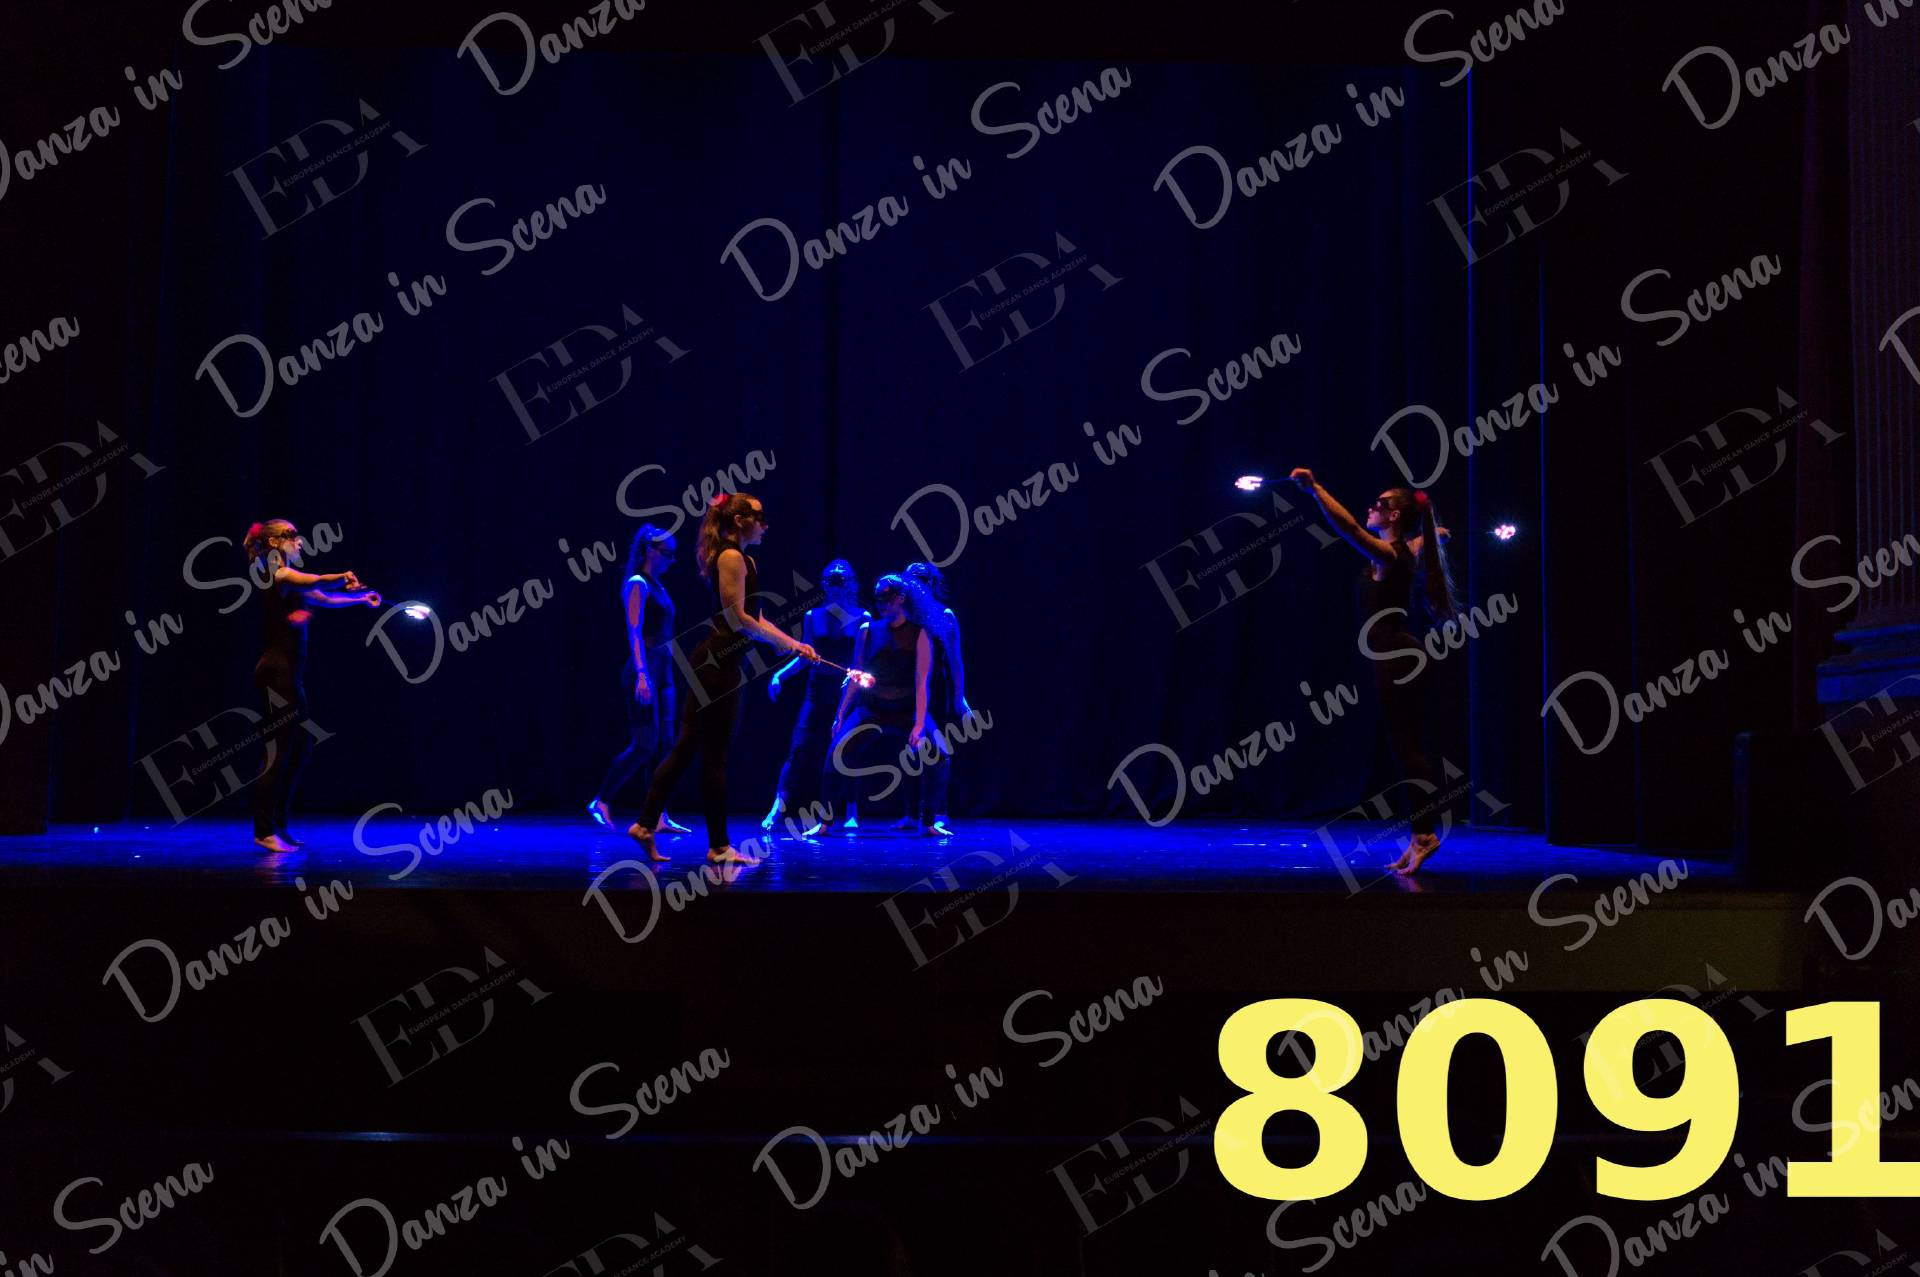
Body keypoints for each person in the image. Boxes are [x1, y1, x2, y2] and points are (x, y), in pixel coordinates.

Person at [627, 493, 818, 865]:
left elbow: (754, 617)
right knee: (711, 754)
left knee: (688, 748)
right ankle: (716, 846)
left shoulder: (744, 559)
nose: (765, 525)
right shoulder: (731, 557)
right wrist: (784, 643)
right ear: (741, 521)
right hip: (716, 664)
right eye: (759, 517)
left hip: (721, 663)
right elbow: (737, 619)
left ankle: (647, 824)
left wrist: (794, 644)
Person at [1288, 470, 1458, 875]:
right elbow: (1425, 539)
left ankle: (1424, 835)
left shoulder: (1388, 555)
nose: (1371, 507)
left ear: (1394, 515)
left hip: (1397, 656)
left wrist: (1316, 488)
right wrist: (1434, 533)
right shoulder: (1405, 550)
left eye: (1379, 504)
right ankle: (1421, 834)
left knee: (1407, 748)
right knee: (1405, 746)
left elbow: (1347, 527)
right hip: (1399, 655)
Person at [244, 519, 380, 853]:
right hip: (277, 674)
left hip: (289, 675)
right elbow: (318, 581)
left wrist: (361, 598)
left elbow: (322, 597)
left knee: (301, 746)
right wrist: (342, 576)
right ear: (274, 543)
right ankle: (264, 830)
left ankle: (278, 823)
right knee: (278, 751)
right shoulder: (278, 574)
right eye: (291, 535)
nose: (300, 540)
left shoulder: (290, 579)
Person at [587, 524, 690, 844]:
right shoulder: (637, 583)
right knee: (645, 743)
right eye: (667, 553)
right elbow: (634, 630)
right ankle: (602, 800)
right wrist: (643, 673)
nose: (672, 560)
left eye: (674, 554)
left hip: (664, 672)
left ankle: (657, 814)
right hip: (643, 668)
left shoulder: (659, 585)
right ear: (649, 550)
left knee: (666, 744)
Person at [821, 575, 942, 835]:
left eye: (886, 597)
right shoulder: (867, 630)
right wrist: (840, 714)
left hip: (907, 710)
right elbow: (856, 675)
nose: (881, 603)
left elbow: (922, 682)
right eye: (877, 597)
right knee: (835, 752)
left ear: (901, 598)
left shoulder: (919, 634)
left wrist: (920, 724)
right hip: (872, 709)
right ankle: (825, 822)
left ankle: (928, 823)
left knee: (939, 754)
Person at [763, 559, 869, 834]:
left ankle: (851, 811)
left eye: (841, 581)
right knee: (799, 748)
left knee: (847, 749)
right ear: (824, 585)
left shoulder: (863, 617)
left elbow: (863, 660)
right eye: (831, 581)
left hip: (846, 692)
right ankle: (777, 807)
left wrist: (856, 678)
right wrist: (780, 675)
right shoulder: (813, 616)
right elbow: (805, 657)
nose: (836, 587)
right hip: (817, 689)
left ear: (850, 584)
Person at [903, 561, 971, 836]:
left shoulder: (944, 615)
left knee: (936, 751)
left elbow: (955, 659)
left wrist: (960, 696)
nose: (916, 585)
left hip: (936, 690)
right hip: (907, 689)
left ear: (931, 583)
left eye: (921, 579)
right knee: (910, 751)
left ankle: (939, 812)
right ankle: (912, 813)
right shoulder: (906, 615)